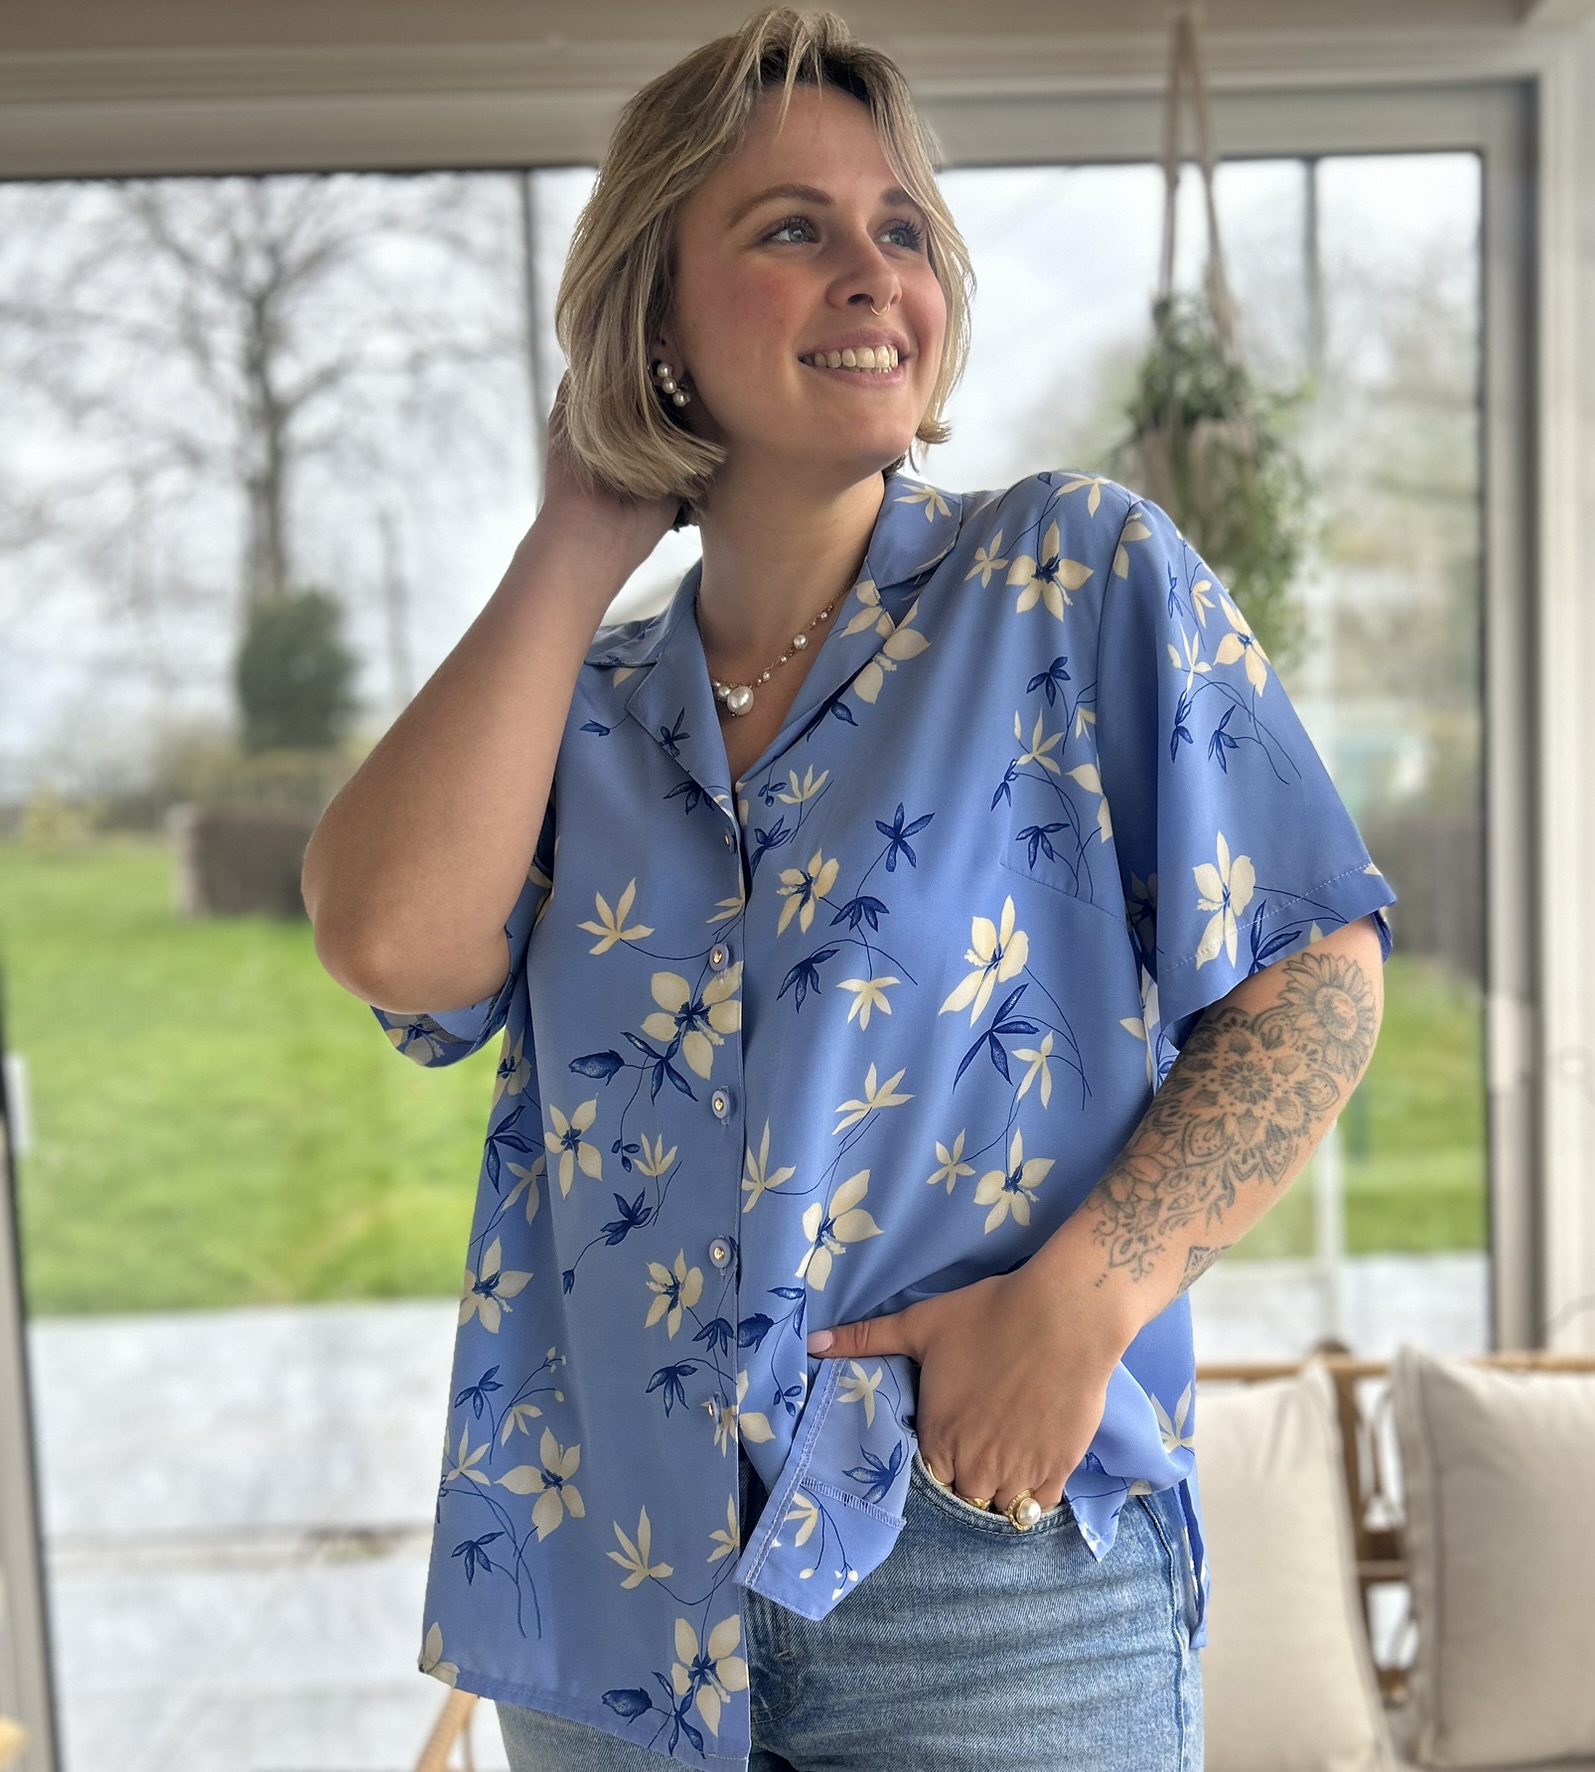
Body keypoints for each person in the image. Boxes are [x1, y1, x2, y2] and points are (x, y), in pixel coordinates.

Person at [302, 9, 1396, 1770]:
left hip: (980, 1568)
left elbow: (1316, 976)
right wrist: (582, 525)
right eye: (792, 228)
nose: (874, 272)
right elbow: (389, 939)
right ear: (655, 315)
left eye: (901, 229)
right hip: (609, 1596)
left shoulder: (1070, 574)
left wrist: (1086, 1300)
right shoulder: (575, 711)